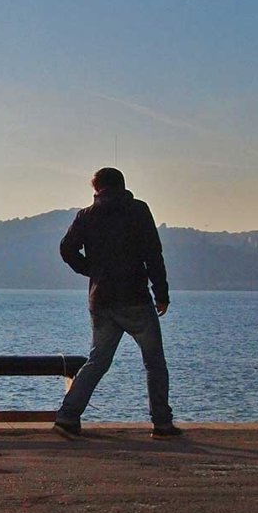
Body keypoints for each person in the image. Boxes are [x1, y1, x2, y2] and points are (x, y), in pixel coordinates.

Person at [54, 167, 181, 439]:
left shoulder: (86, 216)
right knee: (154, 362)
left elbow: (66, 249)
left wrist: (92, 270)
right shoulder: (138, 211)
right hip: (134, 297)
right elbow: (153, 254)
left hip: (101, 299)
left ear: (98, 189)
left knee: (98, 360)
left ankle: (67, 416)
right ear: (122, 186)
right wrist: (162, 294)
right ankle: (161, 422)